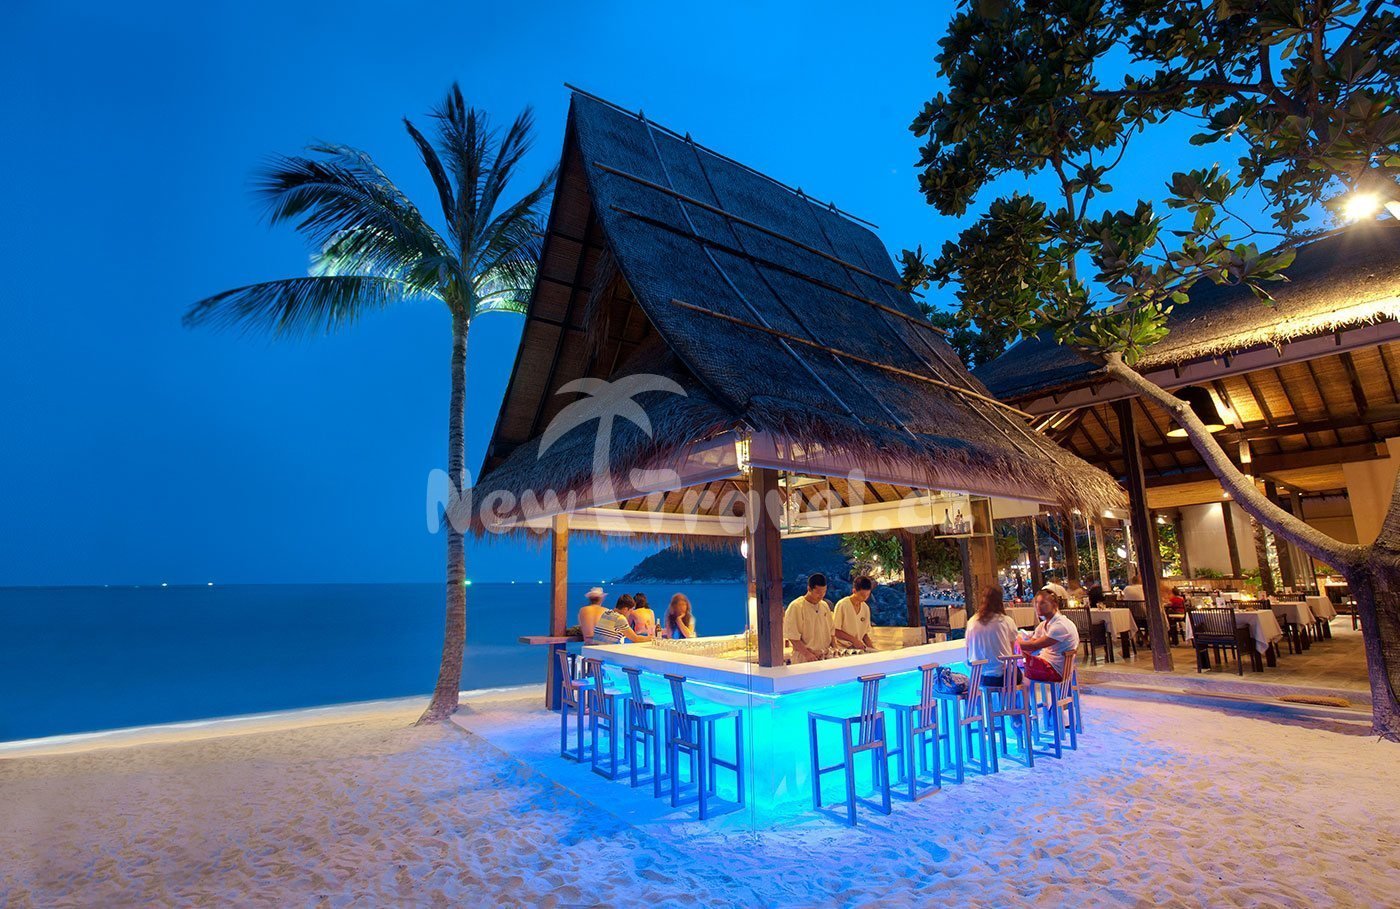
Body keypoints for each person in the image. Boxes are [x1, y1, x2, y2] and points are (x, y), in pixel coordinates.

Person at [1018, 590, 1080, 683]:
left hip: (1055, 670)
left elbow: (1033, 646)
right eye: (1036, 602)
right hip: (1045, 663)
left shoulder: (1060, 625)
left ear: (1054, 605)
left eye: (1042, 603)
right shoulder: (1044, 624)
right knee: (1015, 664)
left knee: (1014, 671)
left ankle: (1015, 689)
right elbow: (1031, 645)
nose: (1038, 606)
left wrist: (1012, 642)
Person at [966, 587, 1019, 688]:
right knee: (1025, 678)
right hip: (1003, 677)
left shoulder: (972, 621)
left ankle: (984, 698)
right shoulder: (1006, 621)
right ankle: (1012, 698)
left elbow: (968, 651)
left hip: (978, 677)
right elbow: (1011, 653)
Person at [783, 573, 834, 663]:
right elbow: (793, 637)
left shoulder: (824, 605)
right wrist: (807, 654)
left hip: (825, 656)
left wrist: (835, 649)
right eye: (818, 593)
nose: (821, 596)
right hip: (805, 658)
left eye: (824, 592)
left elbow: (831, 631)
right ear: (809, 589)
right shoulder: (796, 607)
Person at [832, 576, 876, 651]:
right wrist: (854, 640)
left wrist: (872, 649)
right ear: (854, 591)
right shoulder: (842, 605)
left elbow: (864, 634)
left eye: (867, 595)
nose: (865, 598)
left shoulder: (865, 608)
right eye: (862, 595)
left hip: (857, 648)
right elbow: (835, 630)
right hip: (842, 648)